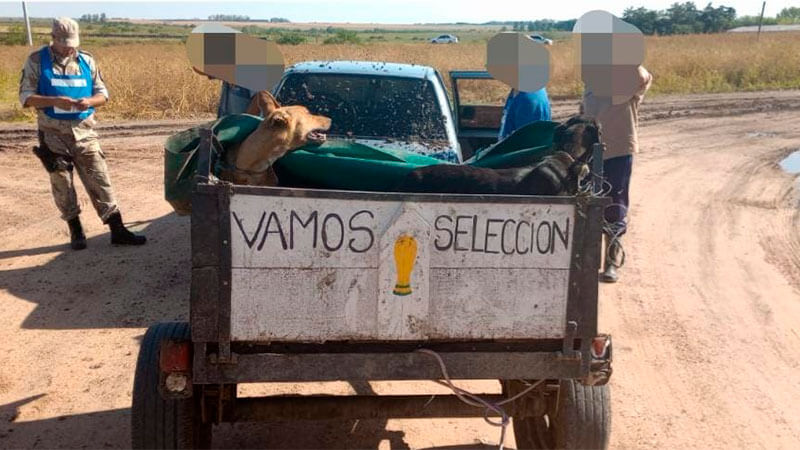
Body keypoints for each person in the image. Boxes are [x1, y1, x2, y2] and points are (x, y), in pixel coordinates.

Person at [19, 17, 146, 250]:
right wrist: (55, 100)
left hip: (84, 132)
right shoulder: (36, 61)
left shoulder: (86, 60)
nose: (69, 47)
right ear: (53, 39)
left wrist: (89, 101)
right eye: (64, 43)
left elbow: (103, 94)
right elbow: (25, 97)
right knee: (62, 182)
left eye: (72, 42)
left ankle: (117, 230)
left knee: (100, 179)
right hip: (52, 133)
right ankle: (75, 229)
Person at [581, 65, 653, 282]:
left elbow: (643, 76)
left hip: (618, 151)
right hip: (590, 151)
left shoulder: (631, 78)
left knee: (615, 204)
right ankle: (586, 259)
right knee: (585, 202)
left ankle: (611, 262)